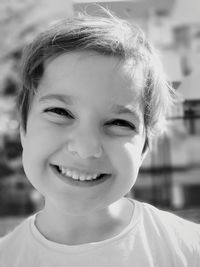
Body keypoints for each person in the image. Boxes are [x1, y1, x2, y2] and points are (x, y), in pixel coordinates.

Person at [0, 9, 199, 267]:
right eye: (60, 112)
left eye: (119, 123)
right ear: (24, 129)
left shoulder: (188, 250)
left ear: (144, 148)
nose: (85, 149)